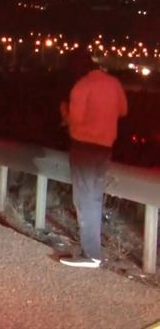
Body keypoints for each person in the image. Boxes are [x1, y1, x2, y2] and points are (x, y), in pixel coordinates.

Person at [58, 51, 128, 268]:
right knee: (95, 199)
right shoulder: (113, 83)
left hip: (84, 149)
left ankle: (91, 255)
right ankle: (92, 251)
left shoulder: (81, 86)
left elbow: (76, 122)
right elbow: (123, 110)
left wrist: (65, 113)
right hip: (105, 149)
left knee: (85, 199)